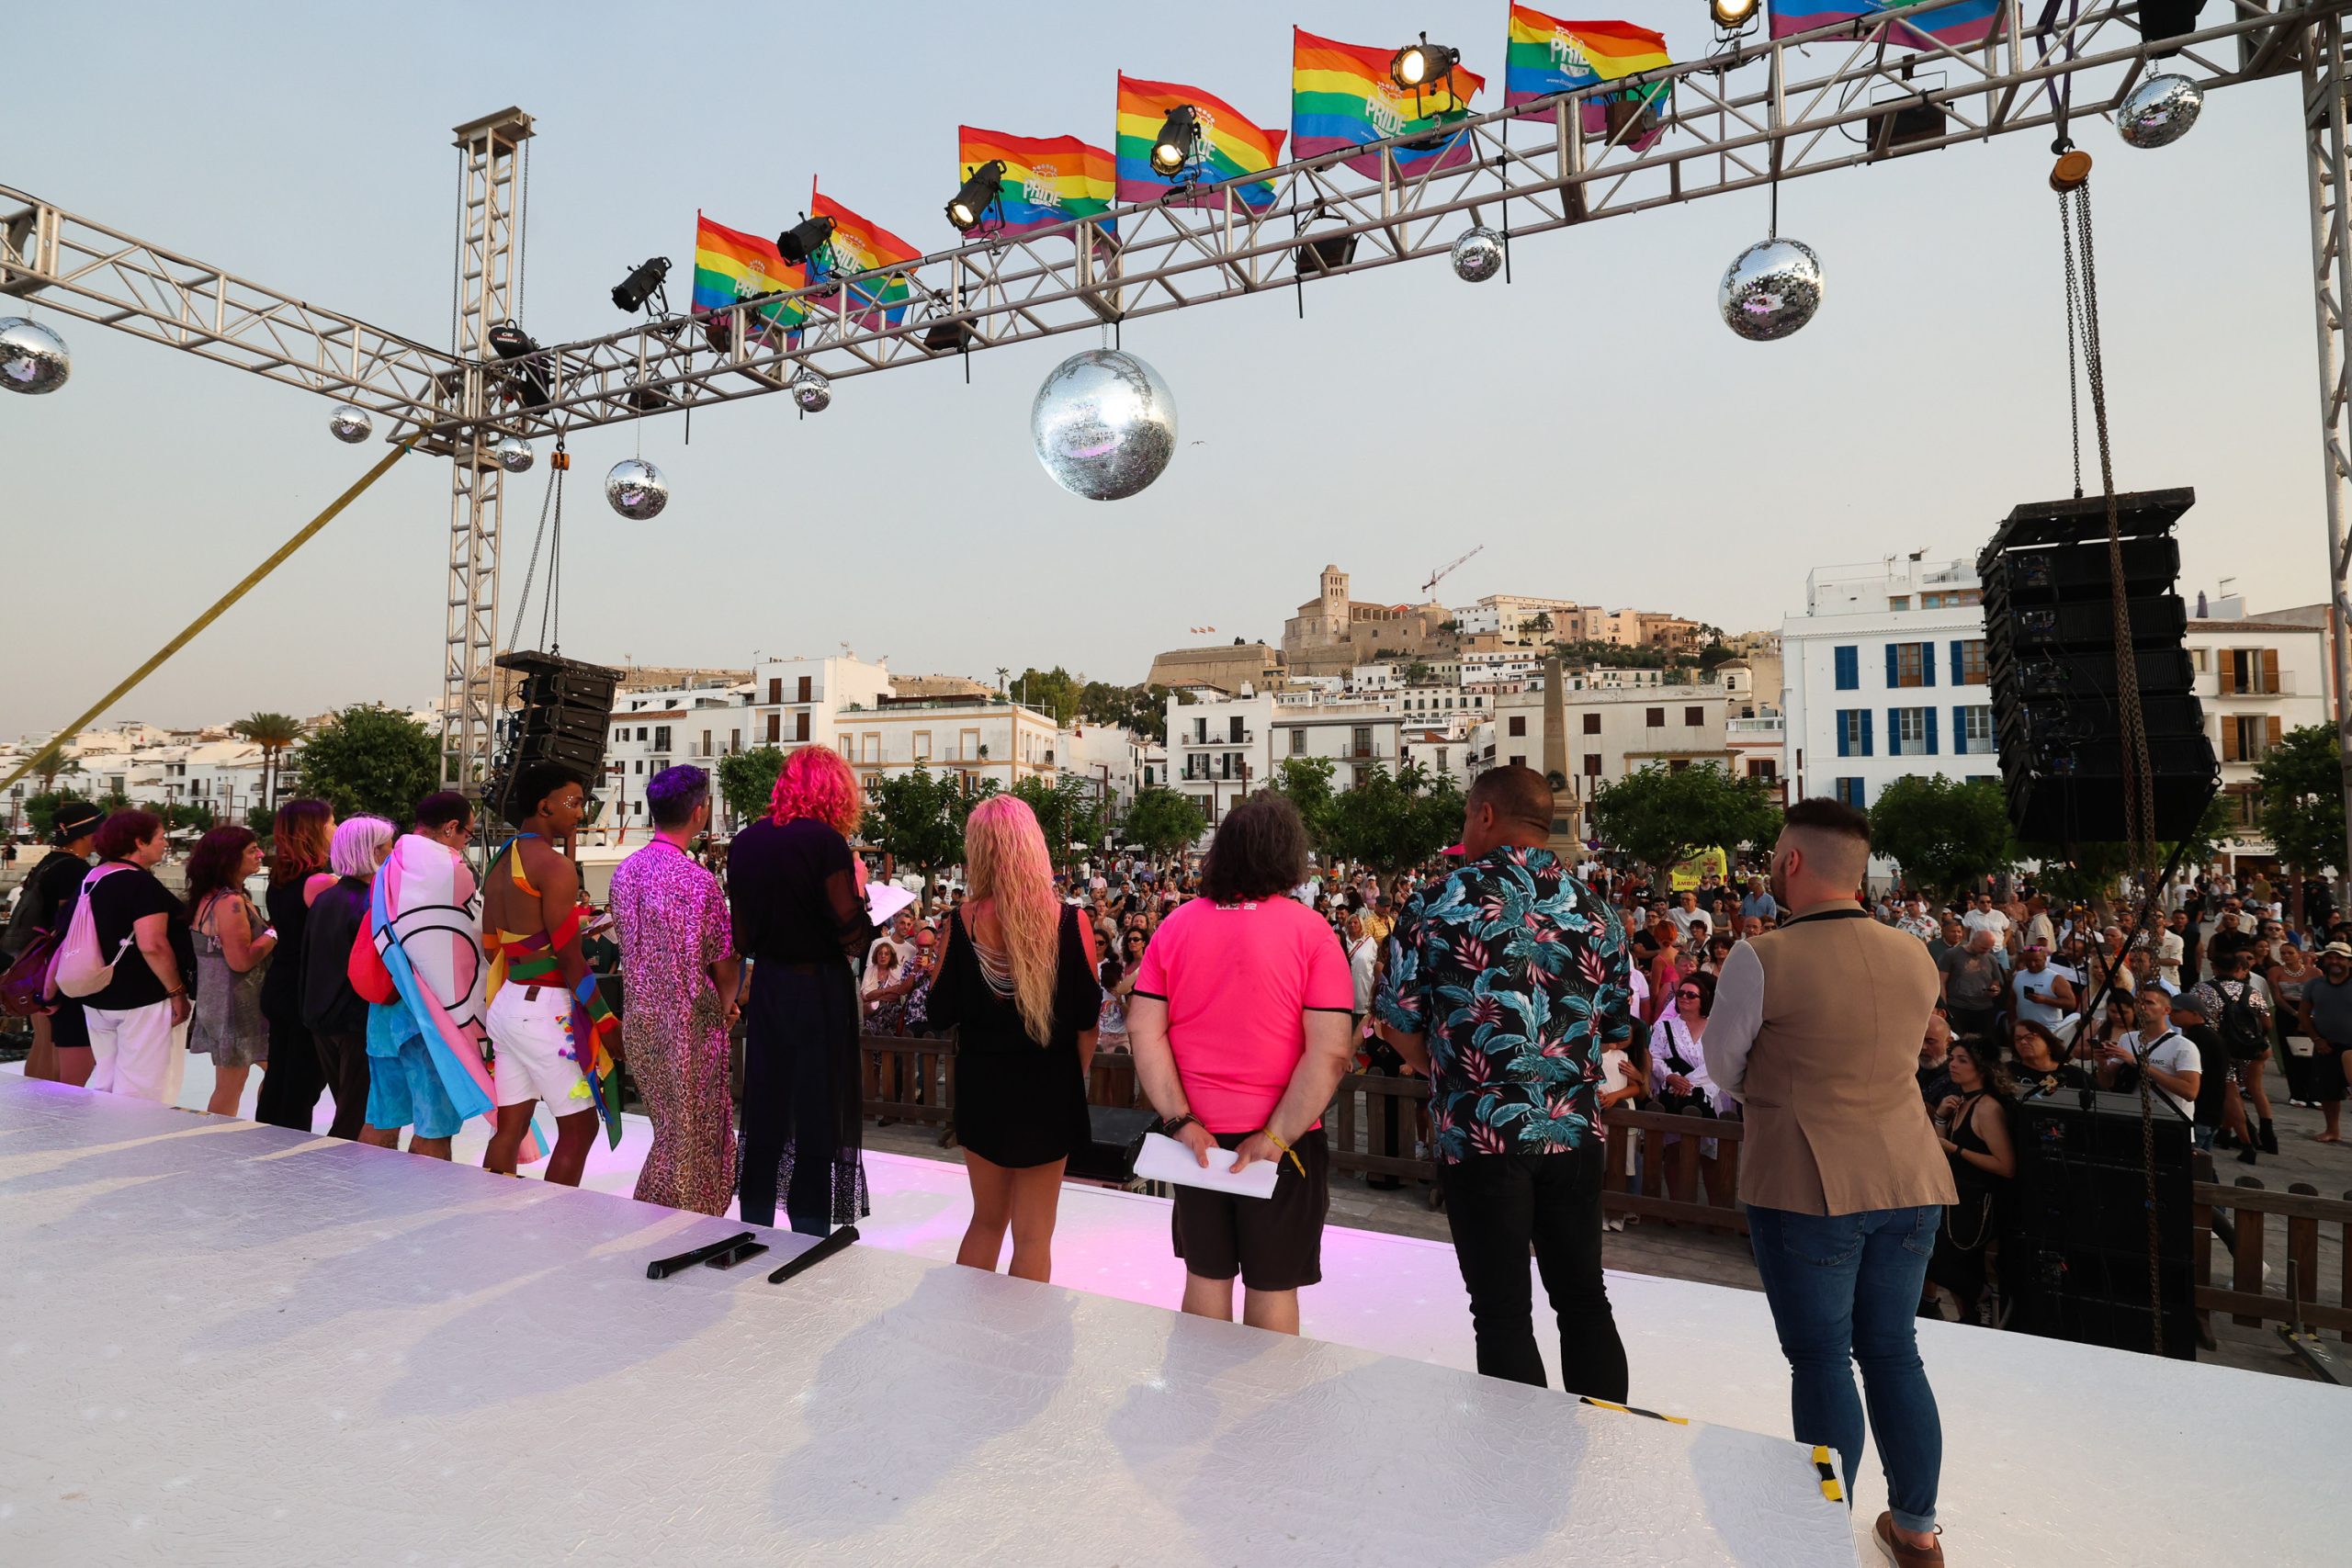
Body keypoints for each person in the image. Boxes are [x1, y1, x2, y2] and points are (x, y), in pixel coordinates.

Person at [1704, 798, 1954, 1566]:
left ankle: (1820, 1534)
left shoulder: (1762, 956)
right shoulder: (1916, 952)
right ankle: (1916, 1529)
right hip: (1911, 1174)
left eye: (1779, 854)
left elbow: (1721, 1067)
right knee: (1894, 1351)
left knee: (1820, 1358)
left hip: (1807, 1183)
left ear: (1796, 862)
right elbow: (1911, 1051)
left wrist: (1782, 1088)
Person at [1376, 765, 1633, 1399]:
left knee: (1501, 1310)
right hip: (1574, 1130)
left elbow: (1395, 1020)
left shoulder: (1436, 901)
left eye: (1467, 817)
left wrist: (1458, 1071)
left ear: (1485, 815)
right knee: (1584, 1300)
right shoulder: (1597, 909)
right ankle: (1605, 1438)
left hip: (1481, 1132)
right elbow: (1618, 1032)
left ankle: (1524, 1475)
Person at [1129, 793, 1357, 1337]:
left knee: (1205, 1277)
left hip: (1198, 1144)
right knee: (1273, 1286)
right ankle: (1264, 1413)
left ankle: (1198, 1405)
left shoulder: (1176, 926)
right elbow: (1330, 1051)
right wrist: (1276, 1137)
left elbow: (1143, 1028)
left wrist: (1181, 1120)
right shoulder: (1313, 932)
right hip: (1285, 1142)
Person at [925, 795, 1102, 1282]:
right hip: (1050, 1091)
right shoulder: (1071, 921)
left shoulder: (961, 922)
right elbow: (1088, 1019)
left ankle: (968, 1334)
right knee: (1034, 1236)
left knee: (985, 1221)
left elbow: (938, 1011)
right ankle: (1019, 1346)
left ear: (978, 851)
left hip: (983, 1089)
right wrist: (1072, 1076)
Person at [728, 746, 876, 1234]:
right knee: (816, 1105)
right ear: (835, 791)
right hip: (818, 991)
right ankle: (809, 1226)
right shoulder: (826, 845)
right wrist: (861, 889)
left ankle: (755, 1219)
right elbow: (854, 939)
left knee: (767, 1103)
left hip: (770, 986)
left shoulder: (745, 843)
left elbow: (743, 938)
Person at [608, 765, 741, 1216]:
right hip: (689, 1023)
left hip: (642, 1019)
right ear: (699, 812)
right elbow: (725, 964)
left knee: (670, 1130)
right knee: (695, 1135)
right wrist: (725, 1010)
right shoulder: (699, 881)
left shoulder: (625, 872)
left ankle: (661, 1218)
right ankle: (678, 1222)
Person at [481, 764, 611, 1188]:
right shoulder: (554, 867)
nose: (580, 814)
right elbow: (572, 960)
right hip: (542, 1011)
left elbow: (490, 945)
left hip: (508, 1003)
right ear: (543, 805)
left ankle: (493, 1213)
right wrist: (608, 1024)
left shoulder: (502, 858)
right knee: (579, 1128)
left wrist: (530, 955)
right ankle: (556, 1227)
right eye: (573, 803)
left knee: (510, 1126)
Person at [360, 794, 484, 1162]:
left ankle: (369, 1197)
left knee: (382, 1118)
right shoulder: (449, 869)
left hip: (383, 1009)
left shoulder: (389, 865)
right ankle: (425, 1208)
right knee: (434, 1126)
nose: (466, 842)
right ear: (450, 829)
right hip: (427, 1014)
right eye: (468, 834)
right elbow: (466, 940)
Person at [74, 810, 195, 1105]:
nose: (165, 843)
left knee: (106, 1079)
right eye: (161, 837)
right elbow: (152, 943)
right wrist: (177, 991)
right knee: (143, 1087)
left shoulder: (94, 877)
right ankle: (134, 1146)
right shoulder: (139, 884)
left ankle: (105, 1139)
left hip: (99, 994)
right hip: (142, 998)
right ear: (140, 842)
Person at [301, 815, 393, 1139]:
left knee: (349, 1105)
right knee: (356, 1115)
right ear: (375, 851)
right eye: (388, 846)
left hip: (322, 1016)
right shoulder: (370, 902)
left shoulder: (327, 898)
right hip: (356, 1018)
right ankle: (340, 1180)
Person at [6, 799, 105, 1086]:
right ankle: (51, 1109)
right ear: (89, 834)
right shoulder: (73, 869)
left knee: (42, 1039)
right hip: (53, 966)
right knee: (55, 1042)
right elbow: (68, 921)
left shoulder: (49, 863)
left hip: (33, 963)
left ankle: (34, 1104)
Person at [183, 825, 277, 1117]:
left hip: (221, 1004)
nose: (260, 854)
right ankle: (226, 1140)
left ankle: (230, 1136)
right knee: (237, 1084)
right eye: (252, 850)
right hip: (236, 1007)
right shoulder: (230, 902)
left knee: (237, 1081)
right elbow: (241, 961)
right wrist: (275, 934)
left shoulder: (213, 898)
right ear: (228, 858)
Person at [254, 799, 336, 1132]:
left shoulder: (280, 879)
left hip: (282, 983)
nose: (335, 829)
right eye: (331, 823)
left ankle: (267, 1142)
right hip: (306, 992)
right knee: (301, 1085)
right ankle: (286, 1157)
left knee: (281, 1077)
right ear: (314, 831)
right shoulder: (320, 883)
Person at [1925, 1041, 2017, 1325]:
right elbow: (1944, 1145)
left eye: (1962, 1060)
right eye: (1952, 1058)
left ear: (1981, 1067)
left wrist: (1957, 1150)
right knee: (1961, 1264)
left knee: (1934, 1259)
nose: (1953, 1064)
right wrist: (1941, 1117)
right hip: (1955, 1195)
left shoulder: (1987, 1107)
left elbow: (2006, 1166)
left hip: (1977, 1202)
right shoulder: (1961, 1100)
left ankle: (1982, 1295)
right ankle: (1976, 1317)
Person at [1649, 969, 1727, 1208]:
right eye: (1681, 993)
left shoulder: (1718, 1029)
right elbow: (1654, 1057)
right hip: (1674, 1096)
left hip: (1710, 1097)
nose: (1684, 998)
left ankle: (1717, 1209)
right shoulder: (1664, 1028)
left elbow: (1720, 1062)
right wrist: (1671, 1077)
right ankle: (1675, 1205)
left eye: (1691, 995)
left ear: (1704, 999)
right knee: (1674, 1152)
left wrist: (1689, 1083)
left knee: (1712, 1156)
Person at [2195, 950, 2278, 1158]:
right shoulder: (2251, 992)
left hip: (2218, 1049)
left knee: (2230, 1094)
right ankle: (2266, 1133)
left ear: (2214, 968)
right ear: (2238, 969)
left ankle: (2247, 1141)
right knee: (2254, 1089)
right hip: (2249, 1049)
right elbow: (2267, 1023)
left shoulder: (2202, 990)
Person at [2095, 987, 2203, 1127]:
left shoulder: (2183, 1046)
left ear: (2166, 1010)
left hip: (2169, 1124)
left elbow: (2190, 1092)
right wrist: (2102, 1064)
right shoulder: (2127, 1038)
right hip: (2131, 1120)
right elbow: (2106, 1083)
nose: (2141, 1006)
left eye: (2149, 1002)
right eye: (2138, 1001)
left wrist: (2137, 1063)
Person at [1939, 929, 2006, 1044]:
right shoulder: (1952, 954)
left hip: (1983, 1009)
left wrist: (1995, 990)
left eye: (1989, 948)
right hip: (1958, 1007)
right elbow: (1941, 981)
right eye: (1983, 948)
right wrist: (1944, 1006)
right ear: (1973, 941)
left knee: (1983, 1044)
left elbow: (1996, 981)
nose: (1986, 951)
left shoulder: (1991, 959)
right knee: (1959, 1043)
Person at [2007, 944, 2077, 1033]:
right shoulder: (2018, 976)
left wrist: (2045, 1000)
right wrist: (2012, 1024)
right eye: (2029, 961)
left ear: (2045, 959)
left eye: (2037, 961)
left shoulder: (2056, 978)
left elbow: (2071, 1004)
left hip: (2049, 1029)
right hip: (2024, 1028)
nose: (2032, 964)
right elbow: (2012, 1002)